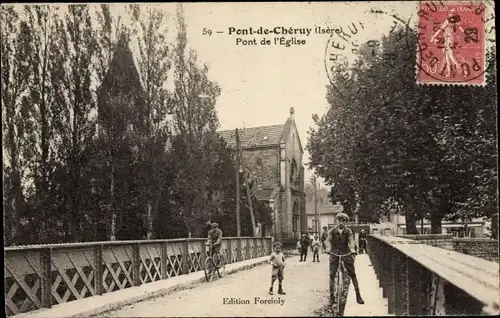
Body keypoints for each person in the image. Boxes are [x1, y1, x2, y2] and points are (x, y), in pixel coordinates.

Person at [325, 213, 365, 305]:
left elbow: (351, 240)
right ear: (336, 221)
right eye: (339, 221)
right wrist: (328, 248)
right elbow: (328, 240)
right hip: (334, 253)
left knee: (352, 274)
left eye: (343, 221)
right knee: (331, 275)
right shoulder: (331, 231)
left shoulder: (348, 231)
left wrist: (352, 249)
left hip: (346, 252)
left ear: (346, 222)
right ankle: (331, 298)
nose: (341, 223)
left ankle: (358, 296)